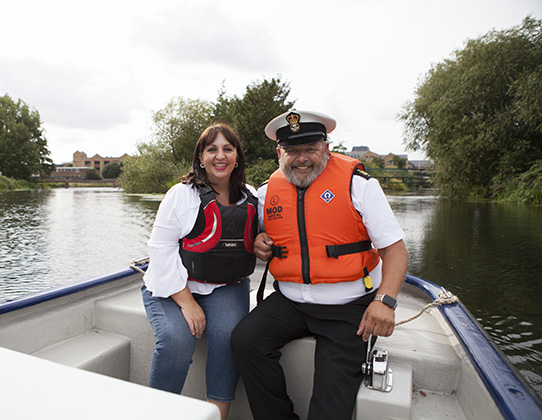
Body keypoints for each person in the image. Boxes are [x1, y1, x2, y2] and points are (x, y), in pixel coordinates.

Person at [231, 110, 409, 420]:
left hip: (349, 307)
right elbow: (259, 237)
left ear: (326, 148)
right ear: (279, 154)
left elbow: (396, 251)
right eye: (292, 150)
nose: (302, 158)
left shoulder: (360, 186)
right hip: (290, 302)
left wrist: (385, 301)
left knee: (330, 407)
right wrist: (260, 243)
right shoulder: (265, 193)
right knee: (245, 340)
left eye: (310, 148)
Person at [142, 122, 258, 420]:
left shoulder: (251, 197)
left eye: (227, 149)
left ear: (237, 157)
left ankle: (215, 415)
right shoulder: (181, 195)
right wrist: (188, 303)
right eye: (212, 149)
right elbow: (161, 250)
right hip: (173, 287)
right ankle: (158, 414)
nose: (220, 156)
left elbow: (256, 237)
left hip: (226, 285)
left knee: (229, 337)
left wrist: (262, 241)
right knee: (177, 341)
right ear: (201, 157)